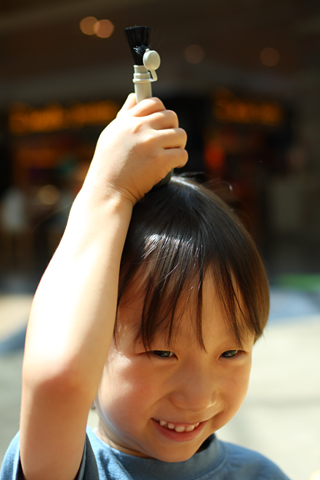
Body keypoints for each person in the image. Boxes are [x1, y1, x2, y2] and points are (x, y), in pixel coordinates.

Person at [0, 95, 290, 480]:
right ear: (93, 345)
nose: (199, 397)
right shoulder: (68, 469)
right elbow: (59, 378)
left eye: (232, 352)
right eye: (163, 351)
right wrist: (106, 192)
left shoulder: (260, 475)